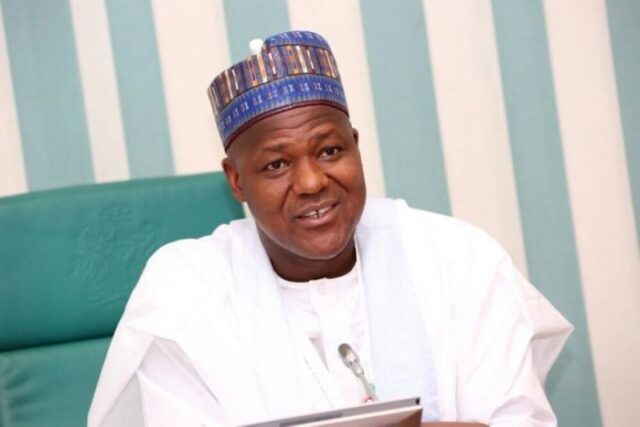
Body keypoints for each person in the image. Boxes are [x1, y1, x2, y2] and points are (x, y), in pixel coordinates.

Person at [88, 31, 572, 427]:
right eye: (276, 164)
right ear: (236, 181)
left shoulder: (458, 258)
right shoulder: (185, 291)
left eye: (329, 151)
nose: (312, 182)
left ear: (355, 146)